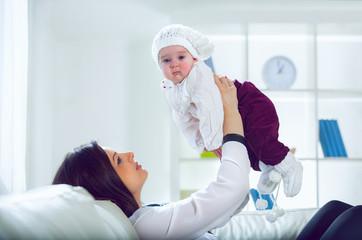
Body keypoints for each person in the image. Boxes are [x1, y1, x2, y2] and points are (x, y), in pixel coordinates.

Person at [52, 75, 362, 239]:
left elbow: (218, 209)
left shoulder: (147, 217)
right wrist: (230, 113)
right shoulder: (146, 228)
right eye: (118, 160)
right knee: (355, 218)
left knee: (336, 208)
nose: (129, 154)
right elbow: (230, 191)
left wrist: (231, 151)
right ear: (104, 183)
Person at [151, 24, 303, 199]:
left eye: (180, 56)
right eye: (166, 60)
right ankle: (268, 168)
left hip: (249, 104)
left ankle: (289, 164)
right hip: (231, 117)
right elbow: (182, 119)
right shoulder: (171, 89)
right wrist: (203, 144)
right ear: (159, 65)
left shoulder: (198, 75)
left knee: (261, 141)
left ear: (194, 59)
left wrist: (214, 141)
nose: (174, 64)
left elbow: (209, 108)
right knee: (248, 152)